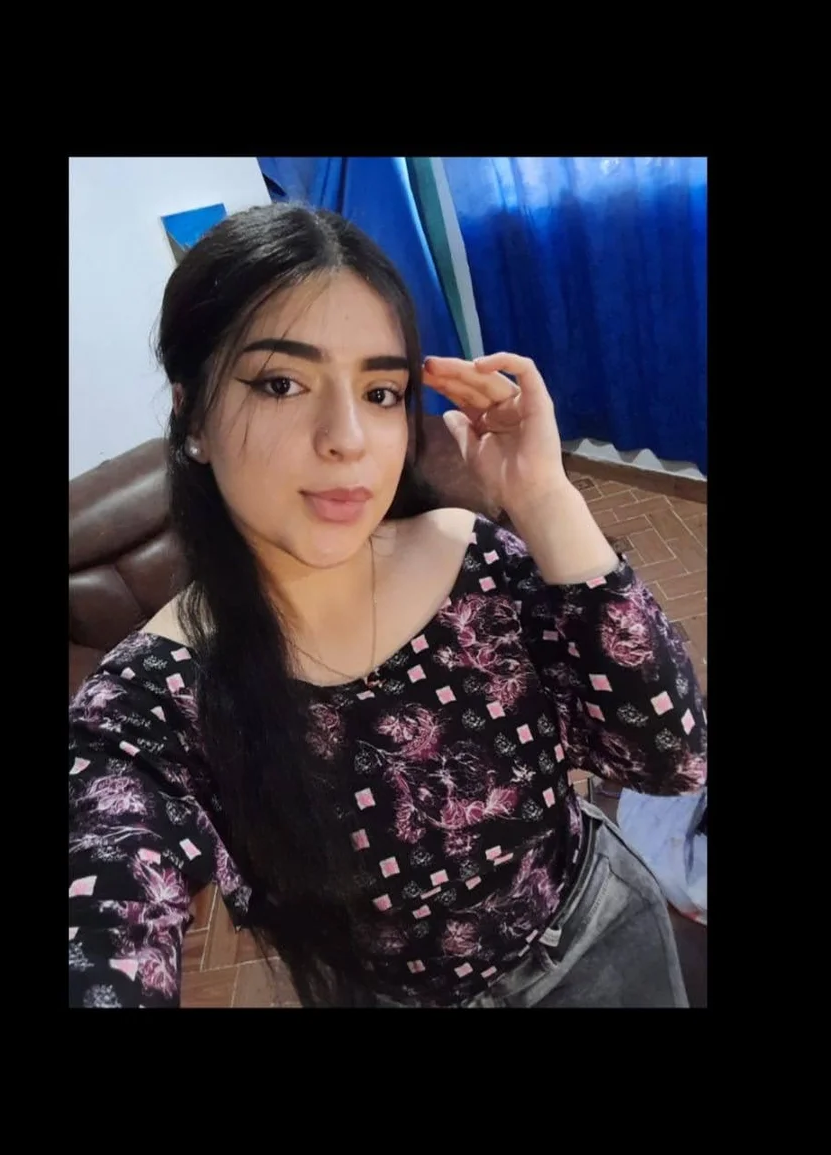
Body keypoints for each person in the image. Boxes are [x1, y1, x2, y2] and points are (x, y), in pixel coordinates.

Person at [69, 203, 707, 1009]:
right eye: (281, 382)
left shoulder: (470, 557)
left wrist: (544, 494)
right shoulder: (146, 708)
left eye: (379, 391)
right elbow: (108, 909)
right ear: (191, 414)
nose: (349, 437)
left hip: (603, 940)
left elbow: (672, 757)